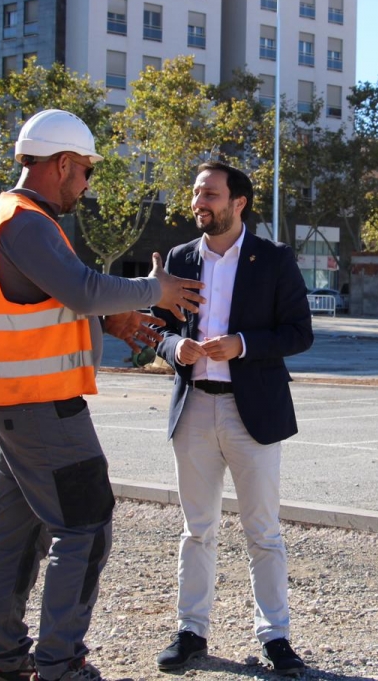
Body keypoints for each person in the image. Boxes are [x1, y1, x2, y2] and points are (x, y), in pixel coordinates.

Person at [0, 109, 205, 681]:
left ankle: (2, 658)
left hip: (13, 402)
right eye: (86, 171)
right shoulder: (25, 222)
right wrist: (156, 288)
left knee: (18, 529)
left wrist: (111, 324)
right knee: (86, 525)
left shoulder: (15, 219)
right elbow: (84, 287)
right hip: (42, 404)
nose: (88, 183)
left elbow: (51, 301)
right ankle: (60, 665)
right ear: (63, 163)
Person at [151, 161, 314, 676]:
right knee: (196, 529)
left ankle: (276, 637)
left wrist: (241, 345)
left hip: (254, 413)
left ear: (238, 202)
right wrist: (177, 347)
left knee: (262, 532)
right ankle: (191, 631)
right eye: (198, 192)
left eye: (211, 194)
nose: (201, 201)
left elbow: (299, 333)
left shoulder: (274, 259)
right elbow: (158, 330)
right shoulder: (179, 257)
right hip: (194, 405)